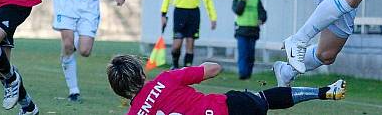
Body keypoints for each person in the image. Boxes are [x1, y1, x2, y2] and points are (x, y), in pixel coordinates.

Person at [106, 54, 346, 115]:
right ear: (140, 73)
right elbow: (214, 69)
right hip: (228, 109)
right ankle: (326, 92)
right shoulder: (166, 79)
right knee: (264, 99)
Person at [232, 0, 267, 80]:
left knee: (250, 54)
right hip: (241, 31)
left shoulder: (256, 0)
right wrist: (243, 0)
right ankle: (242, 74)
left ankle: (248, 73)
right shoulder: (237, 0)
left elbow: (263, 13)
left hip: (253, 31)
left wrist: (261, 19)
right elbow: (238, 11)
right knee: (242, 53)